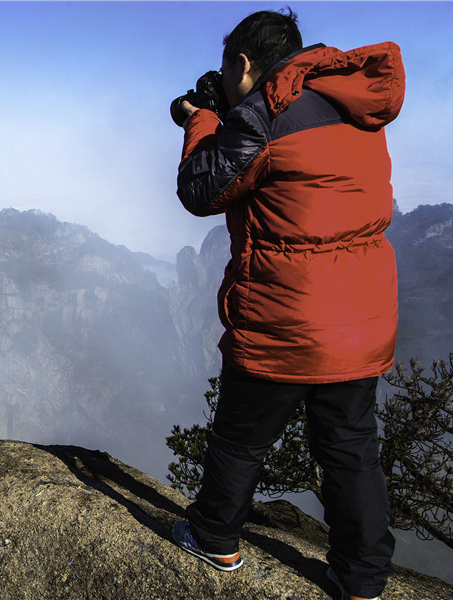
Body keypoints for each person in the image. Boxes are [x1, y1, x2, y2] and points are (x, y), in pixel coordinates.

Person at [169, 8, 405, 600]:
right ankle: (363, 578)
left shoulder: (261, 115)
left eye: (226, 70)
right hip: (360, 319)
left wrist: (200, 123)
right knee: (351, 450)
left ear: (244, 64)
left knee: (240, 438)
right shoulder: (358, 110)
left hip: (286, 320)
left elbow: (203, 188)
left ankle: (214, 537)